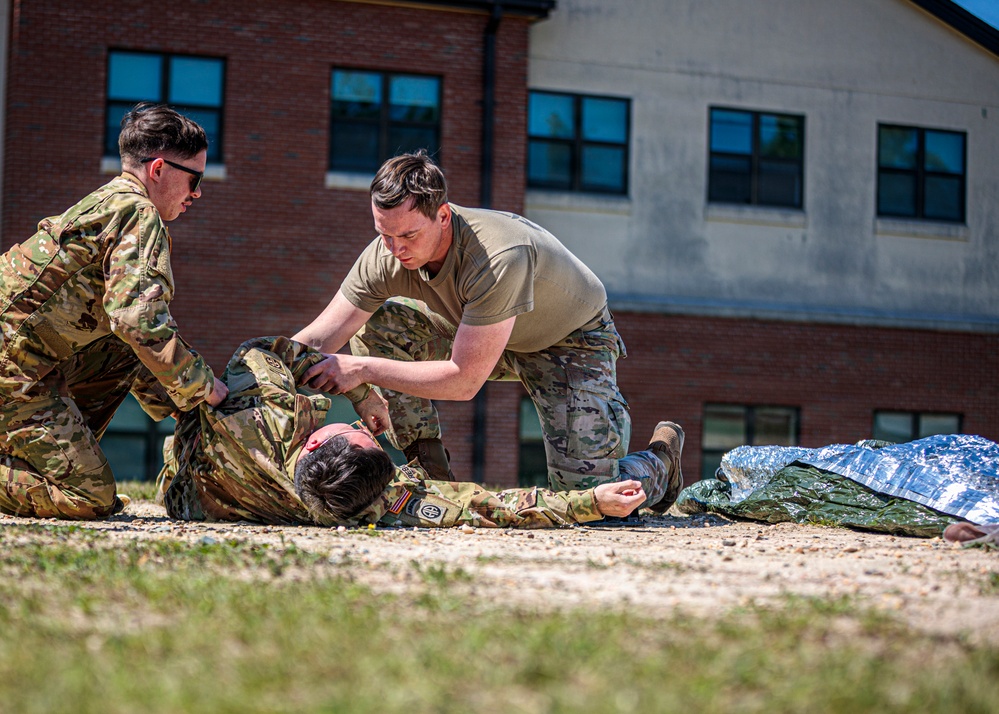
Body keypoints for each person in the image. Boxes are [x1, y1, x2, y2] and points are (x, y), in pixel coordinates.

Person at [292, 151, 661, 507]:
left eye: (408, 236)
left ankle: (661, 465)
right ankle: (431, 470)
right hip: (477, 334)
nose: (395, 249)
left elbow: (464, 381)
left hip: (568, 342)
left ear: (442, 215)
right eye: (384, 234)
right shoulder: (386, 255)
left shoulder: (497, 256)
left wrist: (362, 371)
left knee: (592, 496)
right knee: (379, 322)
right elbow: (320, 337)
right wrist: (260, 370)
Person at [158, 336, 685, 528]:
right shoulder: (373, 501)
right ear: (314, 441)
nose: (363, 425)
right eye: (362, 431)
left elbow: (257, 353)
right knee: (618, 484)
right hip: (186, 489)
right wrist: (591, 502)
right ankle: (662, 461)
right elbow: (490, 507)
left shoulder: (262, 414)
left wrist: (362, 391)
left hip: (185, 484)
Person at [0, 103, 228, 520]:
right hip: (13, 368)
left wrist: (187, 405)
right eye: (194, 179)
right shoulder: (138, 213)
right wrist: (203, 387)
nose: (196, 193)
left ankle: (55, 457)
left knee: (124, 348)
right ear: (158, 169)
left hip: (29, 358)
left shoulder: (109, 201)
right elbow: (139, 319)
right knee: (88, 497)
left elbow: (129, 338)